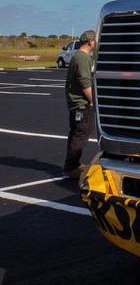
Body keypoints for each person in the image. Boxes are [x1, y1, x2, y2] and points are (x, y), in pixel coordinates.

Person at [63, 30, 96, 178]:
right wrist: (94, 102)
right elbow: (85, 83)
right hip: (81, 105)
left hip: (76, 105)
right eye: (95, 41)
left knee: (76, 133)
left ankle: (73, 164)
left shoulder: (78, 56)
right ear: (90, 41)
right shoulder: (82, 58)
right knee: (81, 133)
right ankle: (71, 167)